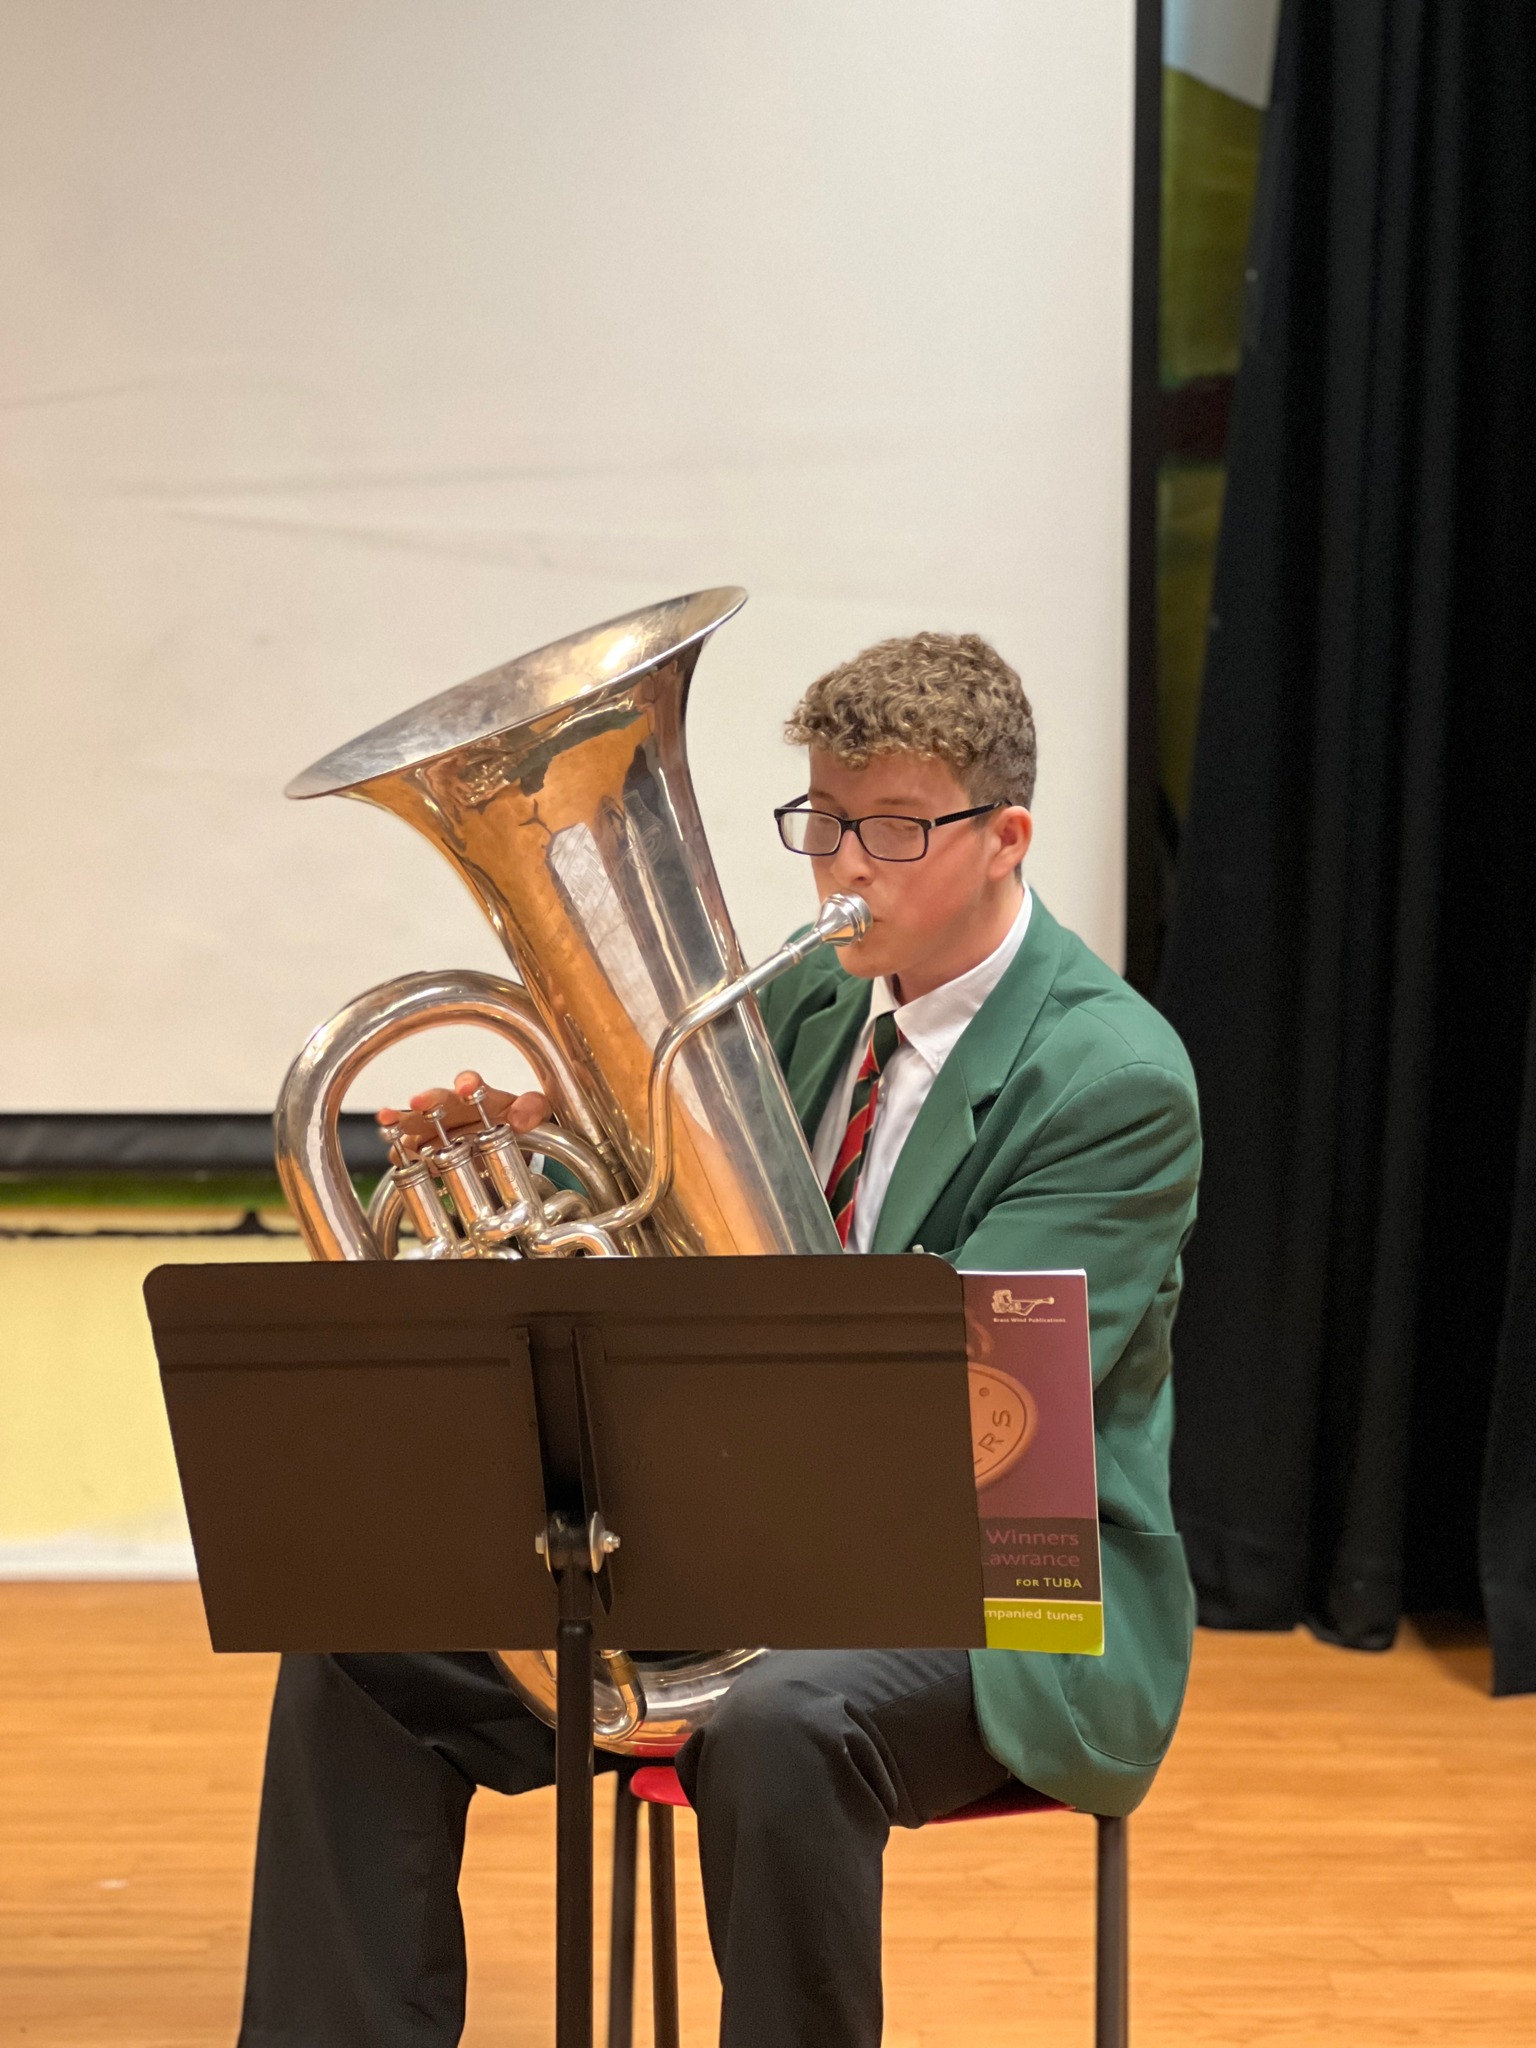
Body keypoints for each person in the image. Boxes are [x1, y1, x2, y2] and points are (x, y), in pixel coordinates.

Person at [238, 631, 1200, 2048]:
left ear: (1007, 837)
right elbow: (657, 1228)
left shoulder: (1113, 1077)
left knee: (782, 1727)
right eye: (822, 822)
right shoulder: (803, 1002)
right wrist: (530, 1161)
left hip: (1003, 1572)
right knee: (363, 1647)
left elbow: (972, 1400)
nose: (843, 872)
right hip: (751, 1532)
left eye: (891, 830)